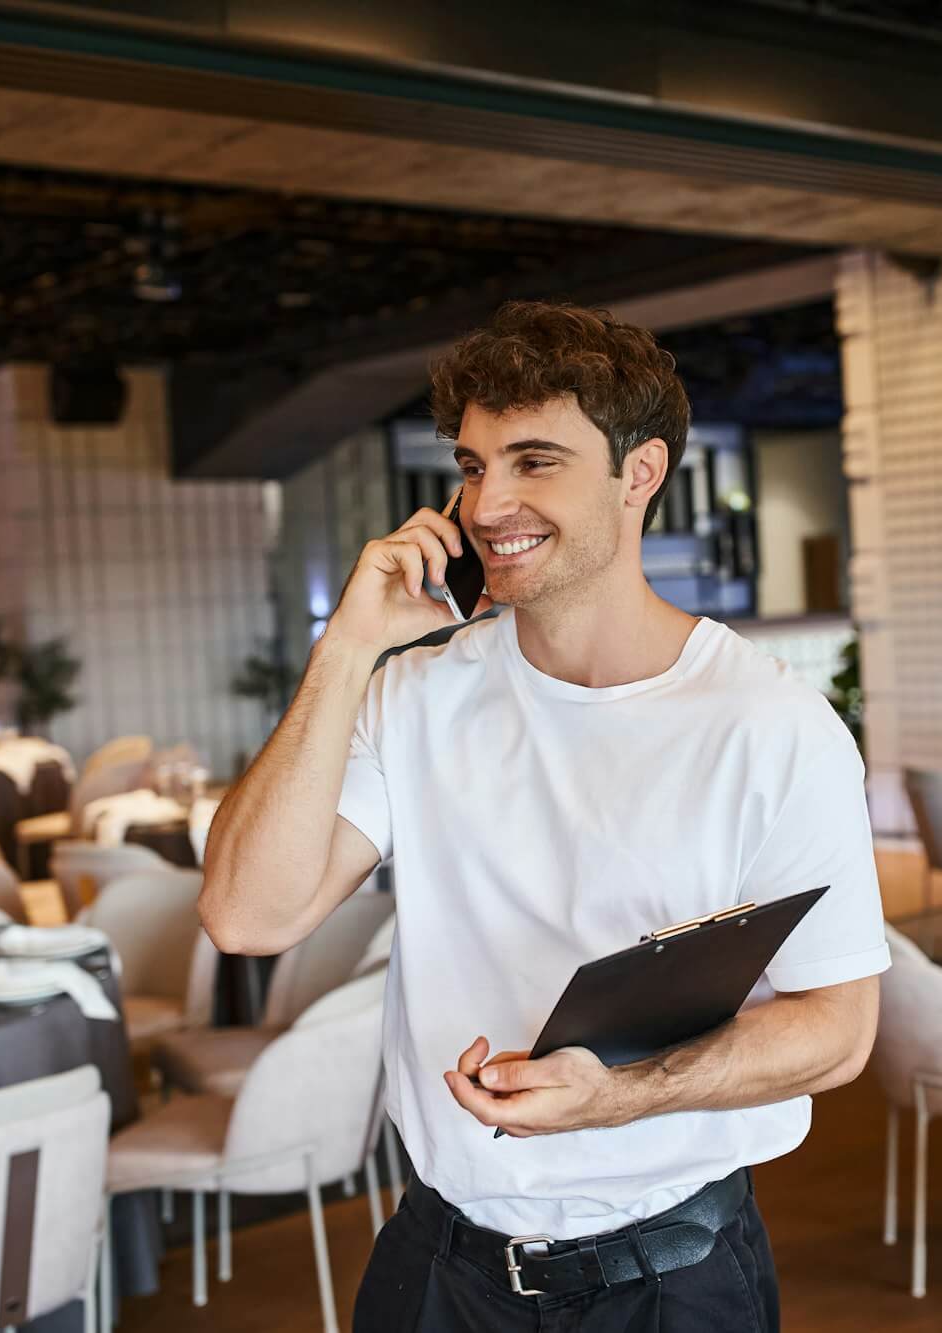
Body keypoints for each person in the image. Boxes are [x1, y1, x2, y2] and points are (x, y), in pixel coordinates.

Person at [201, 300, 889, 1331]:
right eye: (474, 466)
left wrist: (619, 1093)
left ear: (639, 473)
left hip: (670, 1282)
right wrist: (343, 651)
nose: (487, 504)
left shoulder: (771, 725)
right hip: (438, 1263)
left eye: (534, 461)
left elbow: (836, 1034)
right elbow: (247, 917)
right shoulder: (413, 690)